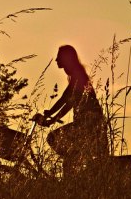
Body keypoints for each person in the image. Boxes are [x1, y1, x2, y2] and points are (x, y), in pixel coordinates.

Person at [34, 45, 108, 175]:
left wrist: (52, 119)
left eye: (59, 57)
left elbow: (69, 102)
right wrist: (50, 113)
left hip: (89, 123)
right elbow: (65, 98)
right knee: (68, 157)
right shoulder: (76, 75)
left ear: (66, 59)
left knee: (53, 139)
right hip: (87, 122)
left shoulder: (78, 75)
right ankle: (77, 159)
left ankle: (77, 159)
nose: (56, 60)